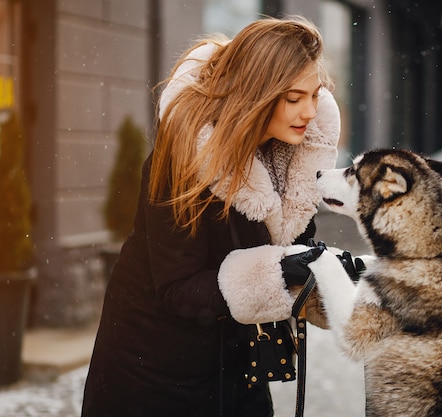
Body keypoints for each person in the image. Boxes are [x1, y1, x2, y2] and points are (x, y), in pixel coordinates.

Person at [82, 16, 343, 417]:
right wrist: (277, 276)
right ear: (256, 94)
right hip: (153, 374)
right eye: (293, 98)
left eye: (314, 95)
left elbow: (293, 248)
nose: (308, 112)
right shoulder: (181, 160)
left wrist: (328, 277)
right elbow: (176, 288)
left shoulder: (291, 159)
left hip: (240, 365)